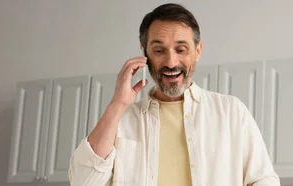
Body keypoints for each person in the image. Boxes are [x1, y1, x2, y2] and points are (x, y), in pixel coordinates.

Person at [68, 3, 280, 186]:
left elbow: (264, 179)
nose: (170, 62)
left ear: (197, 51)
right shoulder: (122, 119)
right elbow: (83, 182)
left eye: (181, 50)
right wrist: (117, 104)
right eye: (159, 51)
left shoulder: (231, 111)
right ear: (145, 53)